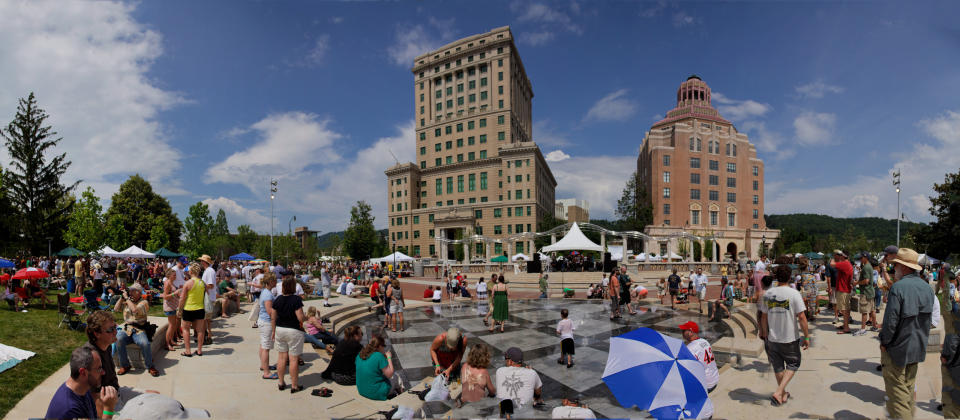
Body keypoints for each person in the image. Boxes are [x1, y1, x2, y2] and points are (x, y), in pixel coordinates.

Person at [880, 248, 935, 420]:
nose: (894, 269)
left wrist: (884, 343)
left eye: (896, 265)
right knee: (909, 389)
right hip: (917, 348)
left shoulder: (898, 288)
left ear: (904, 268)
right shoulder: (927, 288)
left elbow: (890, 323)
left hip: (897, 349)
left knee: (897, 394)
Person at [758, 264, 810, 406]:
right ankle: (779, 390)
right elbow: (802, 317)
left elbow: (763, 316)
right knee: (794, 363)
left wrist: (764, 333)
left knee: (778, 366)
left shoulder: (768, 294)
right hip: (789, 338)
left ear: (776, 277)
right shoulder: (794, 293)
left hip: (772, 337)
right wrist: (806, 336)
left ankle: (782, 394)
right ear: (789, 277)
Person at [45, 346, 117, 420]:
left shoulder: (83, 388)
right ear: (83, 372)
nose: (103, 372)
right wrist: (108, 409)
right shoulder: (70, 411)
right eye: (99, 369)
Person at [113, 284, 159, 377]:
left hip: (139, 329)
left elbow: (134, 310)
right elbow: (116, 309)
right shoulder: (128, 301)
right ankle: (125, 365)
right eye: (130, 291)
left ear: (139, 292)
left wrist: (127, 299)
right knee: (118, 339)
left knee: (145, 343)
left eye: (133, 291)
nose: (130, 293)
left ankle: (150, 366)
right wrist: (121, 298)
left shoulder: (144, 302)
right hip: (128, 328)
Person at [271, 276, 306, 393]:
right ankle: (294, 385)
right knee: (294, 359)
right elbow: (300, 317)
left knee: (281, 357)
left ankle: (281, 382)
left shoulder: (278, 299)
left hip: (280, 329)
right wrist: (307, 317)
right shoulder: (296, 300)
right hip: (293, 330)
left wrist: (273, 331)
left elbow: (273, 317)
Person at [495, 347, 543, 418]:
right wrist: (530, 373)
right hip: (526, 414)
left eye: (506, 359)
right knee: (536, 400)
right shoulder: (532, 373)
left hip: (506, 414)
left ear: (510, 361)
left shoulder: (499, 371)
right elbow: (538, 392)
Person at [176, 263, 206, 357]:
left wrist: (179, 310)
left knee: (186, 329)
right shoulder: (202, 283)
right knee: (200, 330)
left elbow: (182, 298)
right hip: (200, 308)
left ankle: (188, 351)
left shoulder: (188, 283)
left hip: (188, 308)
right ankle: (199, 350)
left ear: (191, 272)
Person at [679, 321, 719, 393]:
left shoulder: (691, 348)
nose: (682, 333)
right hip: (714, 379)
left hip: (706, 385)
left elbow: (685, 370)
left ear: (690, 332)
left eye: (684, 330)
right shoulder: (704, 341)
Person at [355, 335, 397, 400]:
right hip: (375, 392)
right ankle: (400, 397)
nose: (384, 348)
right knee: (396, 377)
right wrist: (389, 357)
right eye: (384, 346)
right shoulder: (379, 356)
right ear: (380, 346)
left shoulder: (360, 353)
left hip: (361, 390)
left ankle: (394, 393)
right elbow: (390, 374)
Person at [831, 250, 854, 334]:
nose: (838, 257)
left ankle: (846, 328)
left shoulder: (845, 264)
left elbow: (832, 264)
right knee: (846, 310)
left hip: (842, 290)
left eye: (840, 255)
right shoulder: (848, 264)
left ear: (843, 256)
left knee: (843, 310)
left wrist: (834, 257)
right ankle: (845, 325)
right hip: (846, 289)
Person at [855, 252, 877, 336]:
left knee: (864, 311)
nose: (860, 259)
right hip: (870, 292)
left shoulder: (866, 267)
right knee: (872, 310)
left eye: (861, 258)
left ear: (866, 258)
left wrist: (856, 283)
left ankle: (863, 329)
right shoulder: (869, 266)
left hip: (866, 292)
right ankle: (874, 326)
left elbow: (866, 281)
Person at [161, 268, 182, 351]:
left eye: (175, 275)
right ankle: (167, 344)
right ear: (169, 275)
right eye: (174, 275)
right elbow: (165, 296)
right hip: (169, 307)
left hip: (173, 306)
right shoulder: (167, 283)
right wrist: (175, 293)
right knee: (171, 325)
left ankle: (171, 340)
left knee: (173, 325)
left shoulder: (171, 283)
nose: (175, 276)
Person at [198, 255, 217, 346]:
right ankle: (208, 335)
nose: (201, 263)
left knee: (205, 318)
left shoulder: (209, 271)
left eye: (201, 261)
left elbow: (210, 285)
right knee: (207, 319)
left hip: (208, 297)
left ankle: (207, 337)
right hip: (208, 297)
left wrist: (200, 286)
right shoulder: (209, 270)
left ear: (204, 262)